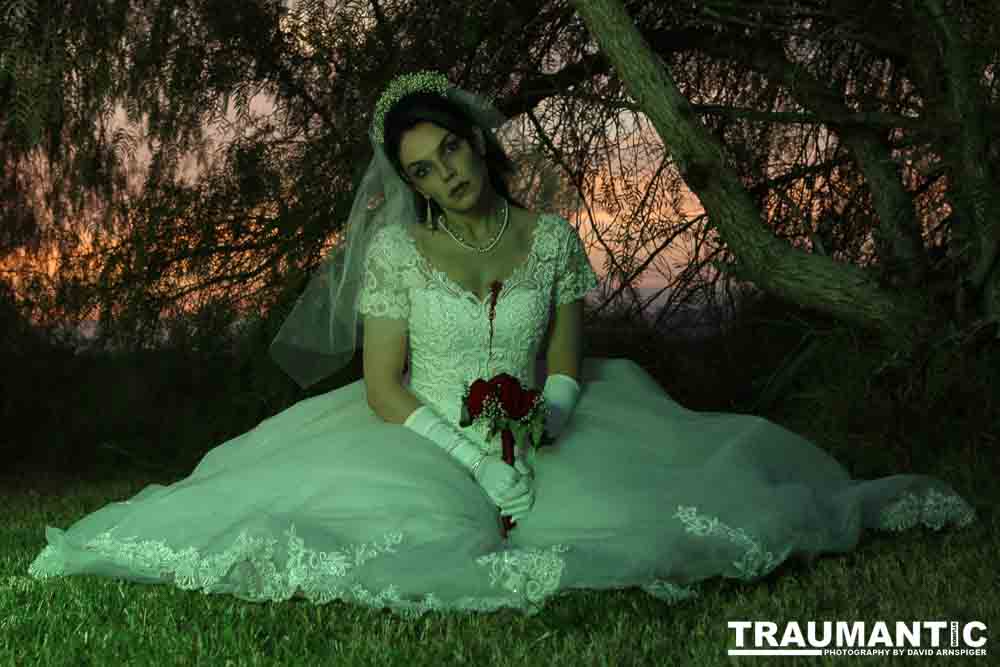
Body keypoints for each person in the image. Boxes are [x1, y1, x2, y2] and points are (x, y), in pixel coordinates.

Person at [27, 72, 977, 619]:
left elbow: (566, 355)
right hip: (417, 434)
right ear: (408, 182)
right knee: (362, 533)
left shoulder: (554, 237)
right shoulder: (398, 250)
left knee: (665, 517)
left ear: (479, 142)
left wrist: (548, 419)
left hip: (543, 426)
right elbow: (385, 387)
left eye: (450, 150)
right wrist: (471, 459)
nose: (444, 173)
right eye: (421, 169)